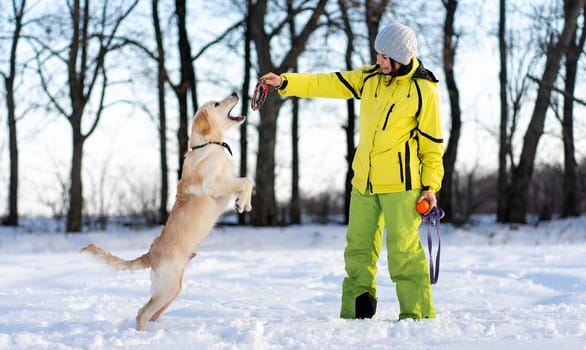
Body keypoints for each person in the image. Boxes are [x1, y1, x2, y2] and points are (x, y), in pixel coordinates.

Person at [260, 22, 444, 320]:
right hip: (364, 182)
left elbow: (432, 145)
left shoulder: (423, 90)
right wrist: (285, 82)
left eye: (385, 56)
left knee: (404, 253)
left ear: (401, 56)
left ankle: (417, 316)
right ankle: (357, 314)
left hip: (402, 185)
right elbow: (328, 82)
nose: (379, 61)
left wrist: (430, 187)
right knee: (358, 250)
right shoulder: (370, 78)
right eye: (377, 54)